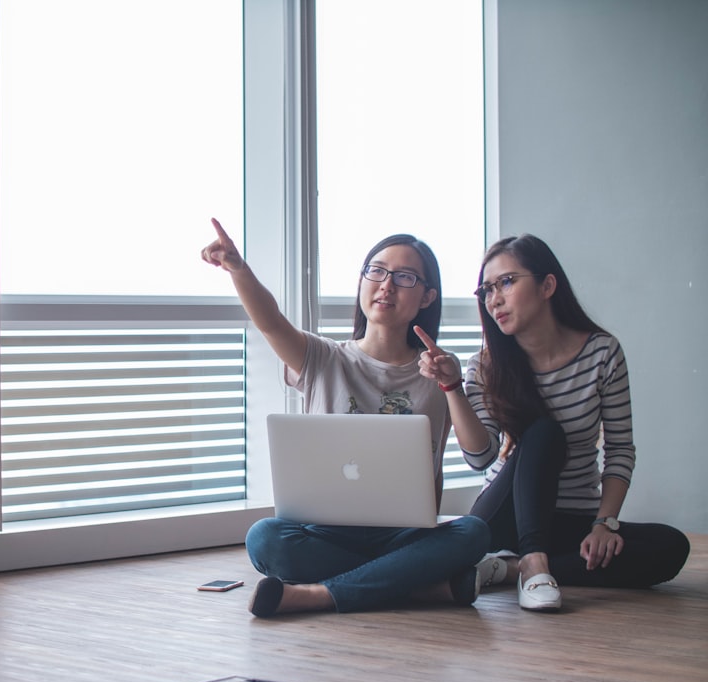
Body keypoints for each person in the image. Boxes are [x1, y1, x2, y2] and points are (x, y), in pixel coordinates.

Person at [201, 218, 490, 618]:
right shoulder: (322, 358)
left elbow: (479, 453)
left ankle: (317, 595)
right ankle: (418, 586)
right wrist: (238, 268)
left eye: (405, 277)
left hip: (403, 536)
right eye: (377, 271)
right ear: (362, 282)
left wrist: (452, 386)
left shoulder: (438, 370)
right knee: (265, 538)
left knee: (473, 532)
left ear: (427, 297)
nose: (387, 284)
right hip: (324, 532)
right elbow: (270, 322)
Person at [418, 233, 690, 611]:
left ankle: (507, 570)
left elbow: (620, 450)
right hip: (505, 515)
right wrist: (451, 386)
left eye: (507, 282)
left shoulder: (601, 353)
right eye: (487, 290)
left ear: (547, 285)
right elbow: (481, 459)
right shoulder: (485, 364)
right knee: (545, 433)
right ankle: (531, 561)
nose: (494, 298)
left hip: (570, 518)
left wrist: (604, 523)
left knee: (671, 547)